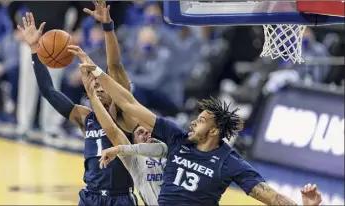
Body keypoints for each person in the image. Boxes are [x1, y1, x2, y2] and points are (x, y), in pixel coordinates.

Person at [76, 60, 323, 205]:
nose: (193, 123)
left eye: (202, 120)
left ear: (214, 130)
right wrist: (98, 73)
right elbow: (130, 104)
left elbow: (268, 195)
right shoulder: (176, 138)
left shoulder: (229, 161)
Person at [17, 10, 137, 206]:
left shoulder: (125, 115)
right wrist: (34, 50)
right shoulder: (85, 117)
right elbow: (48, 91)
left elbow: (114, 65)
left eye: (102, 85)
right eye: (94, 84)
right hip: (89, 196)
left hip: (119, 197)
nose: (97, 88)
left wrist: (107, 28)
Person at [79, 64, 166, 205]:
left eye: (146, 131)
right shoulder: (133, 158)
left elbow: (117, 72)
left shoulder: (164, 149)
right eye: (140, 132)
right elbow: (113, 130)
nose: (145, 133)